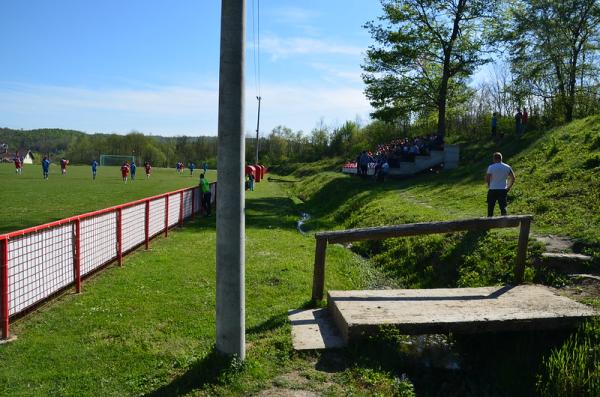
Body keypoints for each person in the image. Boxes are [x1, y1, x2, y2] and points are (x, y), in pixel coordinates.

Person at [485, 152, 516, 217]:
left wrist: (489, 185)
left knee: (490, 207)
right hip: (502, 189)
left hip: (492, 189)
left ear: (494, 159)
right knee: (503, 207)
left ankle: (489, 222)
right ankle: (504, 222)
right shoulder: (507, 167)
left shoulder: (491, 167)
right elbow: (513, 178)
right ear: (501, 158)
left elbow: (487, 178)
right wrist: (509, 187)